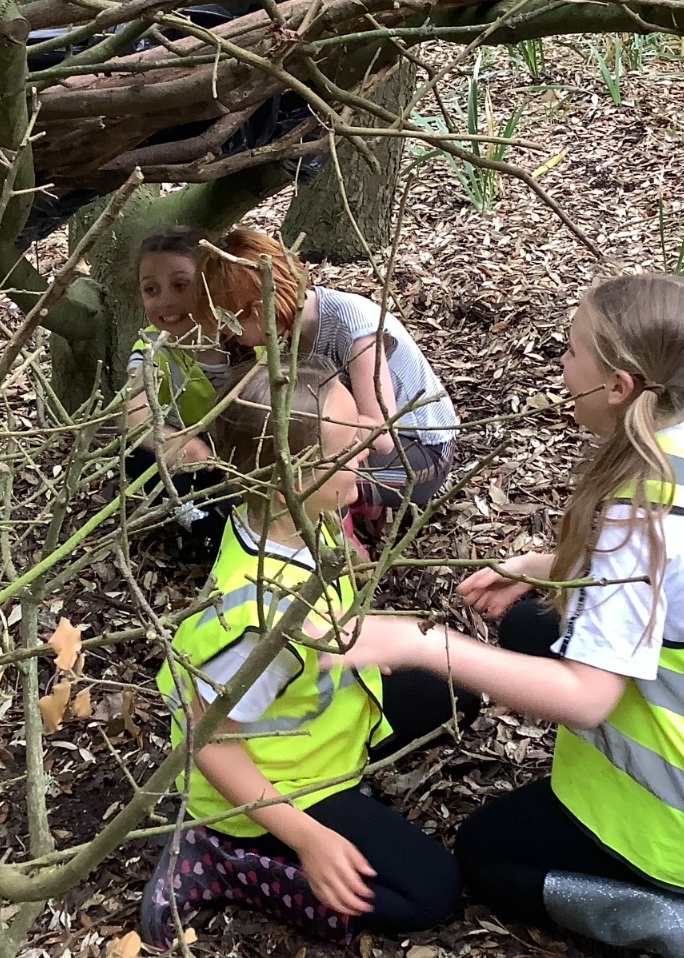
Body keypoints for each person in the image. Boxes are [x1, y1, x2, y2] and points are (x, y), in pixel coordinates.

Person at [326, 275, 684, 958]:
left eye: (570, 351)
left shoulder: (639, 517)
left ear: (617, 386)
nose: (560, 366)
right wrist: (542, 566)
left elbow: (586, 698)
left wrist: (424, 645)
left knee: (487, 854)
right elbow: (670, 578)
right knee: (534, 623)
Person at [140, 355, 470, 949]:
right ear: (291, 479)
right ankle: (224, 858)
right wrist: (307, 838)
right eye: (346, 446)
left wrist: (361, 635)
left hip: (327, 722)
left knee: (455, 687)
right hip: (282, 780)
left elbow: (324, 609)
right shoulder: (259, 619)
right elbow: (206, 739)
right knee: (430, 891)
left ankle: (344, 791)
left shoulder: (298, 517)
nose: (366, 446)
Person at [196, 227, 458, 519]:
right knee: (279, 470)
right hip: (358, 444)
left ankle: (338, 536)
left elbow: (381, 433)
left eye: (230, 324)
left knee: (294, 481)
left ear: (260, 310)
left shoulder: (355, 330)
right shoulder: (289, 329)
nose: (227, 334)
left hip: (421, 454)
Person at [124, 227, 231, 561]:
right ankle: (203, 527)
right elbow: (133, 412)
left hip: (245, 452)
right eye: (151, 289)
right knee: (137, 454)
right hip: (190, 457)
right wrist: (178, 444)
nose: (166, 300)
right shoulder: (151, 348)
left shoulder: (244, 334)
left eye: (181, 285)